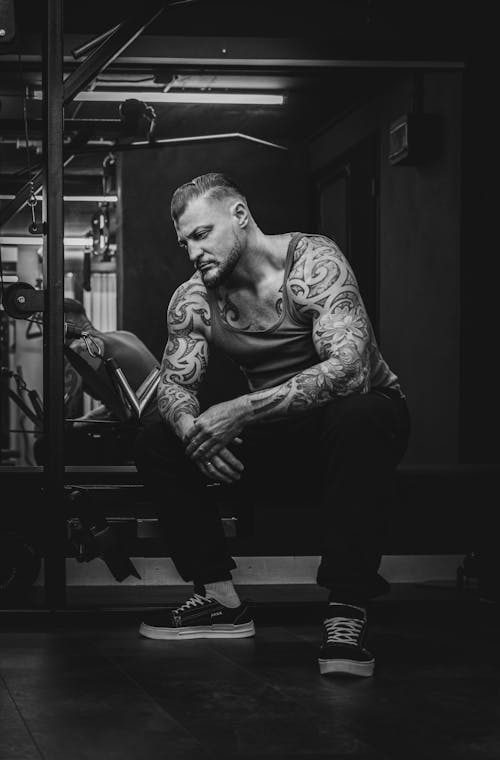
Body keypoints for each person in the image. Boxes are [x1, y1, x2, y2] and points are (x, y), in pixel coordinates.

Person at [134, 172, 410, 677]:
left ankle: (347, 609)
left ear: (240, 215)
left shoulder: (313, 263)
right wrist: (194, 430)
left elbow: (349, 372)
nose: (193, 252)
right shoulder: (192, 299)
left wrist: (238, 410)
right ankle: (218, 600)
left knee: (362, 412)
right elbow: (175, 386)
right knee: (157, 435)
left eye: (202, 234)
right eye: (184, 242)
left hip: (354, 426)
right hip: (284, 435)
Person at [33, 299, 160, 465]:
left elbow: (61, 412)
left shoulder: (82, 347)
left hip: (148, 438)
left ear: (65, 321)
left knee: (44, 447)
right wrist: (83, 421)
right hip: (163, 429)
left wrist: (44, 427)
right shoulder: (125, 335)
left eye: (47, 325)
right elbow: (122, 407)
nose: (46, 332)